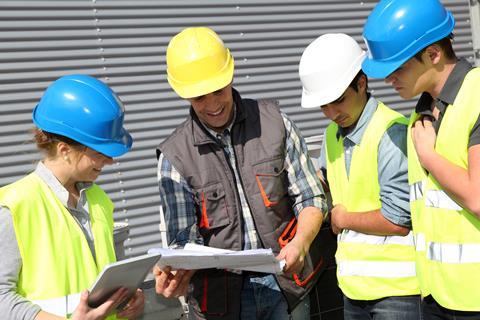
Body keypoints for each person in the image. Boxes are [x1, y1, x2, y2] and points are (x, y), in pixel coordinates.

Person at [153, 26, 327, 320]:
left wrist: (301, 243)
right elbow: (183, 242)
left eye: (218, 90)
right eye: (199, 97)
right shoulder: (175, 158)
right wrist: (176, 273)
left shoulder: (275, 124)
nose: (212, 105)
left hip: (285, 286)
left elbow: (311, 197)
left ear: (230, 75)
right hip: (222, 301)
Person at [362, 0, 480, 318]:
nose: (389, 79)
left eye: (397, 68)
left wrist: (429, 156)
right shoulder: (424, 107)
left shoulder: (476, 95)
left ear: (433, 54)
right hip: (436, 294)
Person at [0, 74, 145, 320]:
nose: (109, 161)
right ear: (65, 150)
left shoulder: (99, 199)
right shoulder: (15, 207)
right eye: (100, 152)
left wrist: (129, 297)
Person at [298, 33, 421, 319]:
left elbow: (398, 220)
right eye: (324, 105)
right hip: (354, 289)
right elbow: (327, 179)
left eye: (337, 101)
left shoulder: (391, 132)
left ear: (362, 83)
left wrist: (341, 219)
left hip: (398, 292)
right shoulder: (332, 135)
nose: (330, 113)